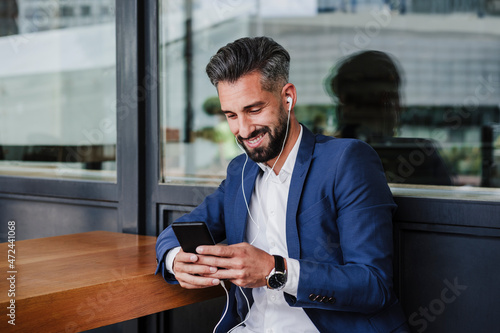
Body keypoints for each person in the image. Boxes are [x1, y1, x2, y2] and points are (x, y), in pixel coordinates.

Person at [155, 37, 408, 332]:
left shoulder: (346, 161)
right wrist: (175, 260)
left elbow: (373, 285)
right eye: (231, 115)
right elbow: (173, 234)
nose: (244, 130)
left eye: (253, 109)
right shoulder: (240, 171)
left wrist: (275, 270)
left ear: (287, 97)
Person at [326, 50, 453, 185]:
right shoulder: (420, 155)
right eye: (396, 97)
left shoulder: (325, 156)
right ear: (386, 102)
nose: (401, 108)